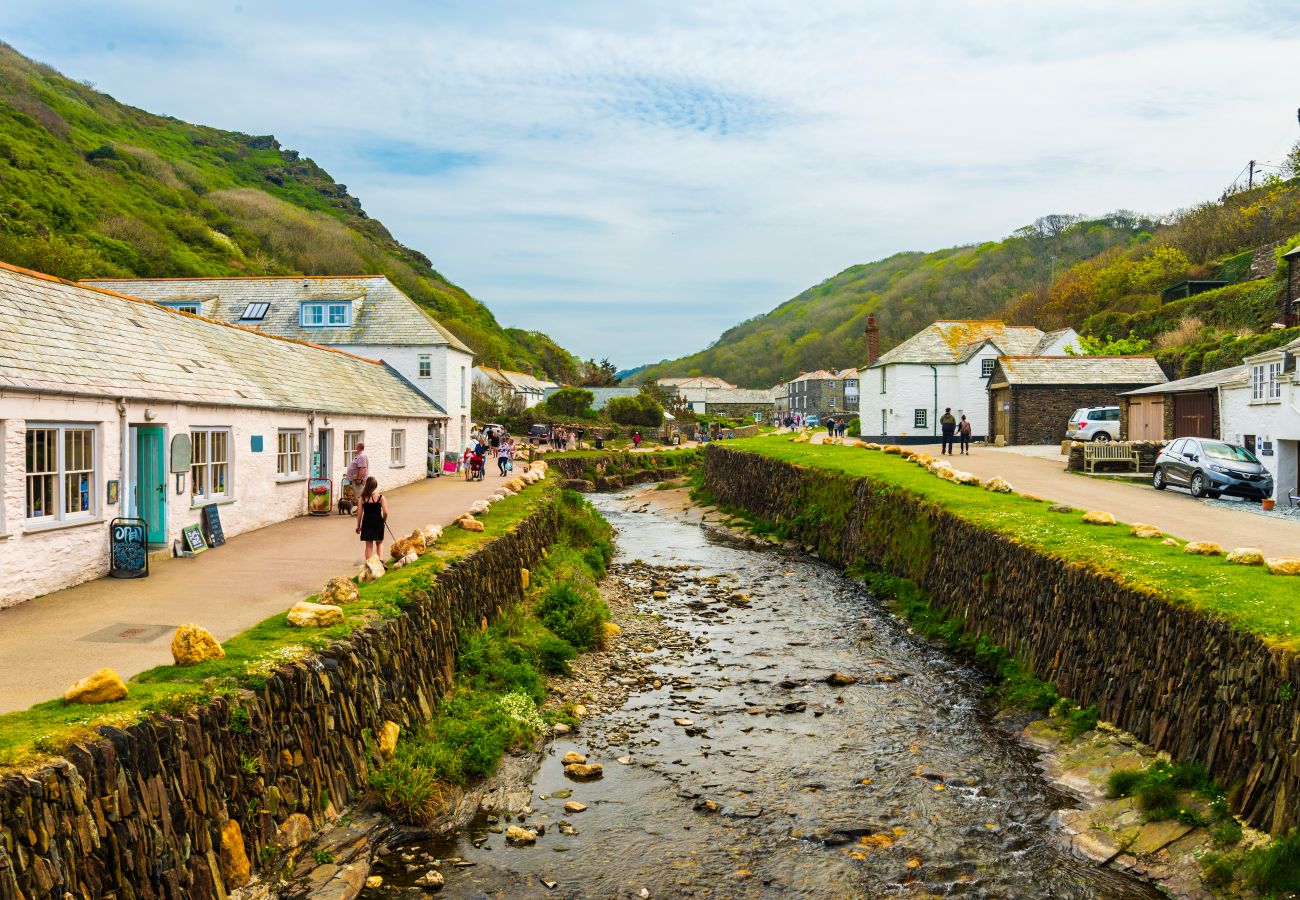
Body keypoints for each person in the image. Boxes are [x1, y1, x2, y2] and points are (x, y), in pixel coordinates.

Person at [355, 476, 388, 562]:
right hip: (378, 522)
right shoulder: (381, 498)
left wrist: (358, 526)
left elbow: (359, 514)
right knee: (379, 542)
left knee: (368, 545)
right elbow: (385, 512)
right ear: (375, 486)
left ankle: (369, 563)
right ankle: (380, 561)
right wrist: (383, 521)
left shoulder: (362, 499)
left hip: (367, 522)